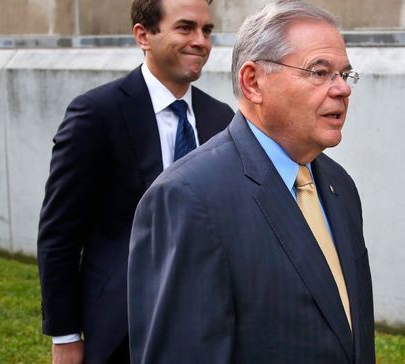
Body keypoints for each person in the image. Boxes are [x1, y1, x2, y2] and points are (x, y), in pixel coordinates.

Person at [127, 0, 376, 363]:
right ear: (253, 82)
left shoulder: (340, 186)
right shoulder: (189, 197)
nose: (342, 89)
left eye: (344, 74)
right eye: (320, 72)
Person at [37, 0, 234, 362]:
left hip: (206, 325)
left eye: (207, 31)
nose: (201, 41)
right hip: (120, 328)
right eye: (185, 28)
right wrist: (65, 336)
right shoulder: (96, 114)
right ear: (143, 35)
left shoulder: (221, 118)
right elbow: (59, 234)